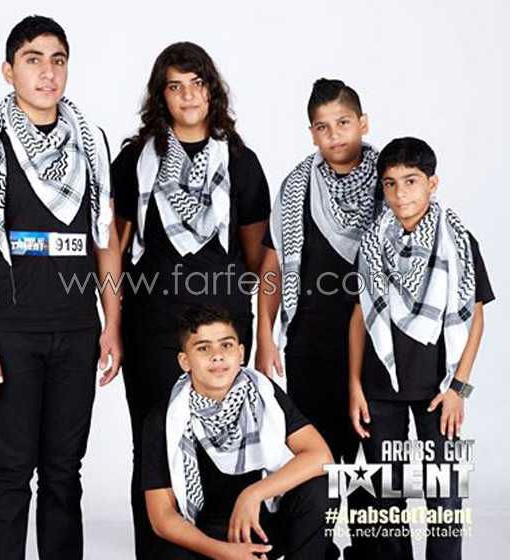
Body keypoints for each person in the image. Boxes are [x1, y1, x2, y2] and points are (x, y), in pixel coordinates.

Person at [0, 15, 122, 560]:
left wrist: (112, 323)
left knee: (64, 471)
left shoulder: (92, 143)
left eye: (57, 60)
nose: (47, 72)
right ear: (9, 70)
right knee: (9, 468)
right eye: (33, 60)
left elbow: (105, 241)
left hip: (77, 331)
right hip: (8, 332)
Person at [112, 42, 271, 558]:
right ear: (161, 96)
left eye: (197, 84)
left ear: (212, 91)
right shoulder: (134, 160)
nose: (187, 96)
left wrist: (256, 331)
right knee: (154, 446)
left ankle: (226, 550)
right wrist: (110, 322)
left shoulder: (241, 163)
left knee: (230, 443)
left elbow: (258, 256)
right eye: (175, 86)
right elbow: (113, 247)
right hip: (153, 327)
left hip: (225, 327)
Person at [349, 137, 495, 559]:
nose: (400, 194)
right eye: (390, 183)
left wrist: (458, 389)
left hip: (438, 391)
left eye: (411, 181)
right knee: (385, 496)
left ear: (432, 183)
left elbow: (475, 318)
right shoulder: (372, 243)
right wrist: (354, 384)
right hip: (380, 389)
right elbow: (359, 316)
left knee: (444, 497)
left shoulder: (458, 242)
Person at [256, 78, 379, 559]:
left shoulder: (391, 180)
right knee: (315, 464)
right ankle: (315, 551)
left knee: (375, 467)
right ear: (311, 132)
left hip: (378, 349)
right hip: (309, 345)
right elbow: (272, 264)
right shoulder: (297, 186)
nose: (334, 135)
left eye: (343, 122)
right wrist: (265, 336)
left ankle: (373, 555)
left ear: (363, 123)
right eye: (322, 127)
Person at [142, 304, 339, 559]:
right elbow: (162, 518)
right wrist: (225, 553)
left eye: (226, 345)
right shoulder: (165, 418)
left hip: (264, 521)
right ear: (184, 361)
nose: (217, 356)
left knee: (323, 488)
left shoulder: (264, 394)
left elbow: (321, 457)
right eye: (203, 348)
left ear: (241, 353)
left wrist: (253, 494)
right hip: (207, 534)